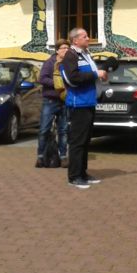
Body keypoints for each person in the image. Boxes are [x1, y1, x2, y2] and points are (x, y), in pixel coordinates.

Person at [59, 28, 107, 189]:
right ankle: (74, 176)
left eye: (88, 35)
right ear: (75, 40)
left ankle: (83, 173)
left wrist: (100, 74)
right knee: (77, 141)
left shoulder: (86, 54)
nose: (88, 38)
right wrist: (95, 74)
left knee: (86, 140)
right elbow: (73, 78)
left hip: (89, 102)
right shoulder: (70, 56)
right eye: (85, 36)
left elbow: (91, 74)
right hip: (78, 103)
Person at [36, 39, 70, 168]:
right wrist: (57, 85)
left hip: (64, 101)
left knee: (63, 130)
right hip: (50, 100)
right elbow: (42, 78)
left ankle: (63, 157)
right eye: (63, 48)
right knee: (44, 129)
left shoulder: (69, 64)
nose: (66, 50)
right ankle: (40, 156)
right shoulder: (50, 63)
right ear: (57, 50)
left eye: (68, 48)